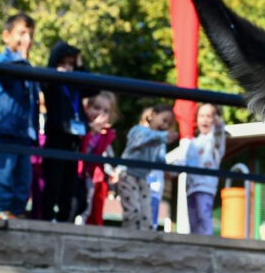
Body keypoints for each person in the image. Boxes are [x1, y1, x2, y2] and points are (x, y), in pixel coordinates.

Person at [0, 13, 39, 219]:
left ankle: (17, 211)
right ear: (7, 36)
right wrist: (23, 59)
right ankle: (0, 210)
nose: (27, 39)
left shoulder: (28, 66)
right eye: (22, 33)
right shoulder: (4, 60)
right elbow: (8, 75)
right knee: (4, 174)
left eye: (30, 35)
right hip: (5, 128)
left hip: (24, 133)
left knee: (23, 177)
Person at [41, 41, 94, 223]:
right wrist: (57, 72)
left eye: (71, 65)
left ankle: (65, 221)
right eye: (63, 64)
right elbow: (46, 83)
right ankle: (47, 219)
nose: (68, 69)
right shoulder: (52, 84)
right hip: (56, 137)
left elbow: (94, 87)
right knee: (53, 183)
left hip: (74, 140)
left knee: (69, 185)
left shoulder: (76, 84)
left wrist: (80, 65)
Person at [118, 104, 177, 230]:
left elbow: (158, 160)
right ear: (152, 116)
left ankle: (145, 239)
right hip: (128, 175)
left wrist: (171, 170)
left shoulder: (158, 142)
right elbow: (144, 139)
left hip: (143, 178)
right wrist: (164, 137)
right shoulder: (138, 130)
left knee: (146, 213)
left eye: (169, 124)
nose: (165, 126)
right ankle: (128, 236)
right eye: (164, 120)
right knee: (133, 210)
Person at [179, 103, 226, 235]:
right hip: (190, 188)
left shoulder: (214, 140)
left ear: (215, 119)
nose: (205, 119)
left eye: (209, 116)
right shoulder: (192, 143)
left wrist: (218, 124)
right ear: (197, 119)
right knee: (193, 221)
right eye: (201, 116)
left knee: (204, 218)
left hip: (205, 187)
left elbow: (219, 132)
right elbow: (185, 162)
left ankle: (207, 245)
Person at [79, 91, 118, 226]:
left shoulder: (106, 134)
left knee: (89, 203)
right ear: (87, 108)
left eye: (105, 111)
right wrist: (92, 131)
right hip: (76, 171)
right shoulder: (81, 126)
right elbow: (82, 148)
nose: (100, 113)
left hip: (90, 174)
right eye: (96, 108)